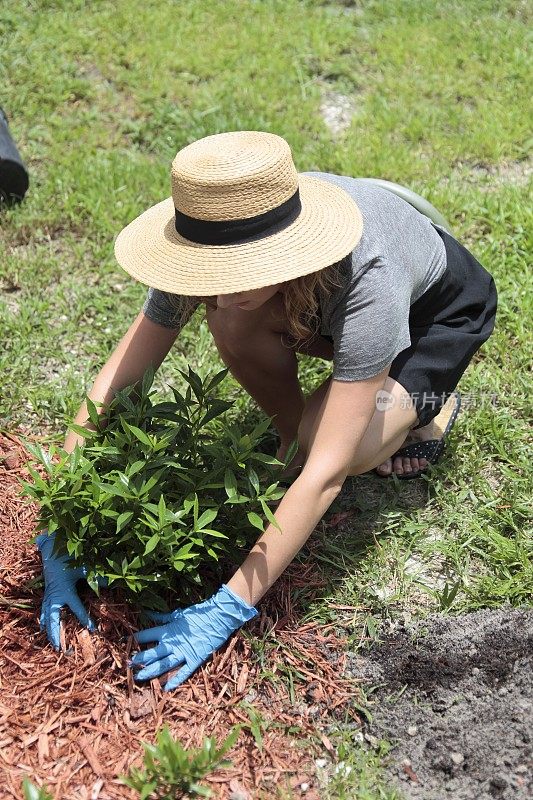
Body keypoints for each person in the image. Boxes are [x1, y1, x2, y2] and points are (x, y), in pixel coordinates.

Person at [37, 131, 497, 689]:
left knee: (348, 452)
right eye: (213, 274)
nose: (223, 291)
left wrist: (228, 606)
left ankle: (429, 407)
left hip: (432, 319)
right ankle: (292, 438)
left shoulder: (369, 281)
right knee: (241, 332)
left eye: (241, 272)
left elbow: (327, 473)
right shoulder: (215, 241)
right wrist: (59, 520)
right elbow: (118, 379)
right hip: (322, 306)